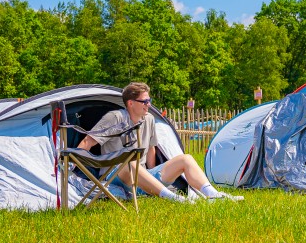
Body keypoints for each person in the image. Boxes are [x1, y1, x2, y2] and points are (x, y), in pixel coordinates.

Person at [77, 82, 243, 202]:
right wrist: (71, 168)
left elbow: (151, 150)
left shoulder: (148, 119)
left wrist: (150, 174)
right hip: (115, 174)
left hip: (141, 174)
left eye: (149, 101)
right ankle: (172, 197)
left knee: (186, 159)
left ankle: (212, 194)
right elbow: (88, 141)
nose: (148, 105)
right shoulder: (115, 118)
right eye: (145, 102)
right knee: (129, 161)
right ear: (131, 103)